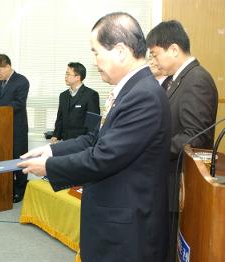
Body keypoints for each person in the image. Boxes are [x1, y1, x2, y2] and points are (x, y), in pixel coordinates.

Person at [18, 12, 171, 261]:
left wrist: (47, 167)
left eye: (96, 52)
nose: (94, 61)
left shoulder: (143, 96)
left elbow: (102, 157)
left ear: (120, 51)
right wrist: (52, 151)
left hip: (126, 232)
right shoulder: (130, 90)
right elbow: (95, 139)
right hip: (112, 220)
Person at [146, 20, 218, 262]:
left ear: (174, 49)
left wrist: (151, 147)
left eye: (156, 54)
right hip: (166, 182)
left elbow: (196, 136)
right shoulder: (176, 79)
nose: (154, 61)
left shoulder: (197, 79)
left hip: (179, 184)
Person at [0, 54, 29, 203]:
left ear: (8, 67)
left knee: (19, 158)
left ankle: (20, 189)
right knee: (4, 157)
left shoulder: (22, 81)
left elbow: (19, 104)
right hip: (0, 128)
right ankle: (7, 187)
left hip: (17, 127)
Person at [50, 62, 100, 144]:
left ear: (77, 77)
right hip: (65, 141)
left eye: (68, 74)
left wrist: (89, 142)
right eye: (65, 74)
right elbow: (60, 118)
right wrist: (56, 135)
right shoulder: (63, 95)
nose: (65, 76)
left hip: (82, 142)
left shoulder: (91, 95)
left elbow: (93, 123)